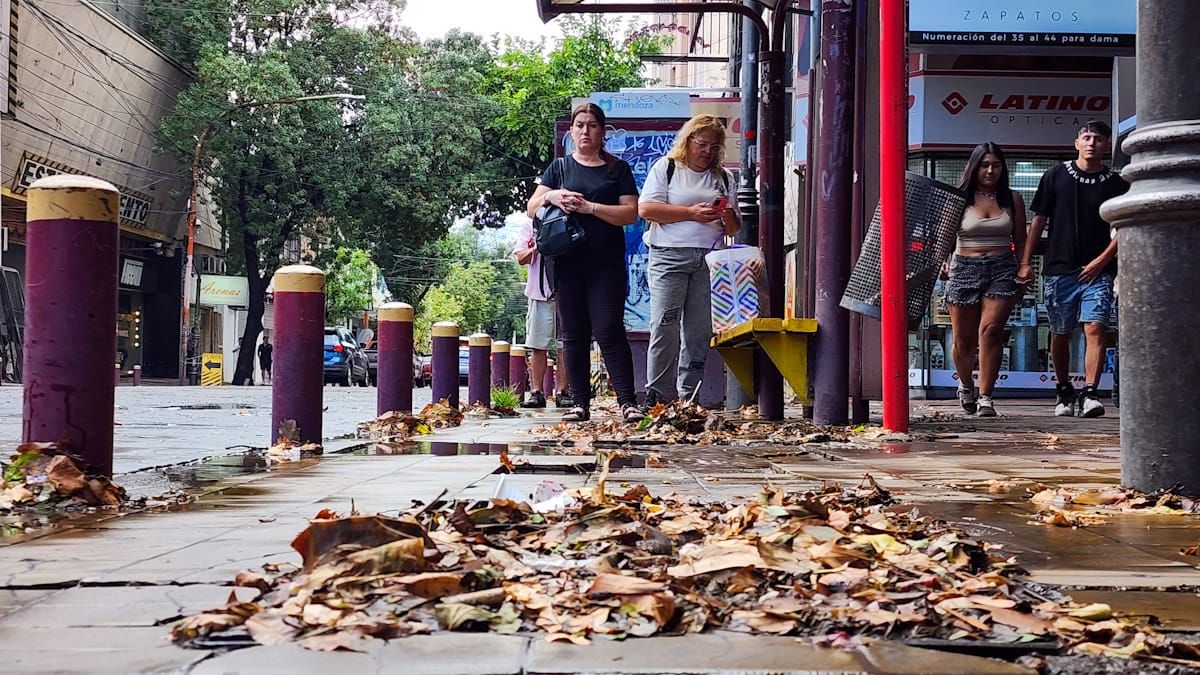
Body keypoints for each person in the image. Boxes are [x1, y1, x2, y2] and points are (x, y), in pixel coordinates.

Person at [526, 102, 641, 423]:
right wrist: (552, 197)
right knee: (573, 333)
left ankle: (628, 402)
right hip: (566, 261)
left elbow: (630, 213)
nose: (585, 131)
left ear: (603, 131)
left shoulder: (617, 169)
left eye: (592, 125)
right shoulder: (559, 169)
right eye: (580, 125)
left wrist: (591, 207)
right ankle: (579, 403)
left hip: (606, 263)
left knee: (608, 329)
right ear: (572, 131)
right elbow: (531, 206)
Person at [1021, 120, 1128, 418]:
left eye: (1098, 139)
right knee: (1060, 331)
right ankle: (1064, 388)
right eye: (1087, 137)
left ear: (1107, 145)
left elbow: (1123, 229)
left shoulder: (1118, 184)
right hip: (1059, 267)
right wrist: (1026, 261)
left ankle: (1091, 392)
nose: (1092, 143)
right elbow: (1038, 221)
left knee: (1095, 327)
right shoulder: (1055, 175)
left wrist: (1102, 261)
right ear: (1077, 142)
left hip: (1099, 270)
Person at [638, 115, 740, 407]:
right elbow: (646, 209)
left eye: (714, 146)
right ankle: (658, 394)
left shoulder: (723, 177)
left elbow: (733, 229)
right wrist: (690, 213)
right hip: (669, 254)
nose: (707, 151)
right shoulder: (668, 168)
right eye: (702, 144)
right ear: (688, 141)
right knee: (664, 324)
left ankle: (689, 395)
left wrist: (726, 213)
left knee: (698, 330)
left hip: (709, 258)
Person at [944, 143, 1027, 417]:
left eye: (996, 165)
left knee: (991, 332)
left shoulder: (1012, 199)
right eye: (984, 165)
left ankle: (986, 396)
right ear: (974, 167)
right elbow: (943, 237)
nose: (990, 170)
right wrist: (944, 260)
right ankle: (966, 385)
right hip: (964, 266)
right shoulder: (959, 199)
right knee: (963, 340)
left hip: (1002, 266)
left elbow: (1021, 239)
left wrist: (1024, 266)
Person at [512, 215, 571, 408]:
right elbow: (521, 257)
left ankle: (563, 391)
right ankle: (536, 392)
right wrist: (540, 245)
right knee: (538, 345)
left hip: (568, 290)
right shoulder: (531, 224)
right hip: (540, 292)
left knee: (567, 344)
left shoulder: (570, 219)